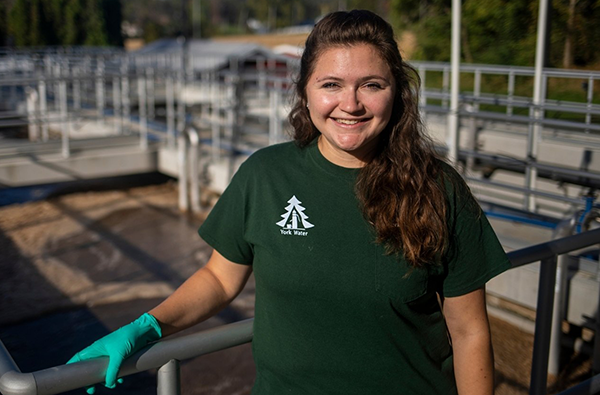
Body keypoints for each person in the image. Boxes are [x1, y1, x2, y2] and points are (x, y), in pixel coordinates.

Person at [68, 9, 512, 395]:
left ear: (396, 93)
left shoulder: (438, 188)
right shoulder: (265, 175)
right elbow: (220, 280)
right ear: (305, 91)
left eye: (371, 85)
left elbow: (469, 330)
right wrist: (146, 327)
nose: (350, 104)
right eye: (331, 84)